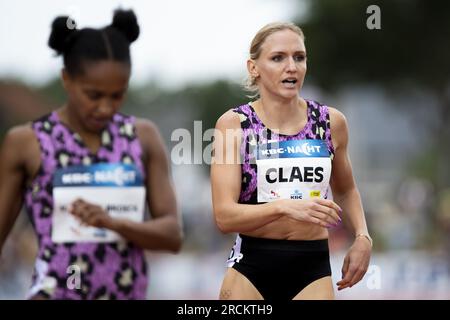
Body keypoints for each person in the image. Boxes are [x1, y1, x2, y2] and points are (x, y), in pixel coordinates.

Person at [0, 9, 182, 299]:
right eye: (93, 95)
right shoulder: (27, 142)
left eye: (117, 95)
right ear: (66, 79)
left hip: (126, 292)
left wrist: (112, 222)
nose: (106, 108)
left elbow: (173, 236)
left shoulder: (142, 137)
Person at [211, 22, 372, 300]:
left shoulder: (330, 122)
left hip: (311, 268)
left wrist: (362, 237)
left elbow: (345, 189)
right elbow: (225, 216)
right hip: (252, 267)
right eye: (278, 58)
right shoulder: (234, 125)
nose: (292, 67)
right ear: (254, 68)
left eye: (299, 57)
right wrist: (285, 207)